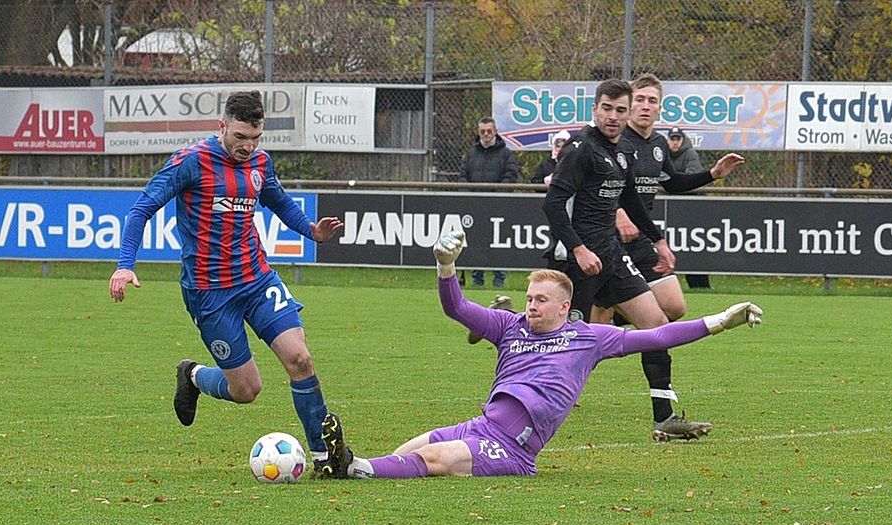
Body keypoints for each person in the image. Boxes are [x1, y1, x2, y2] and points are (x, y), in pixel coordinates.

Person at [317, 230, 762, 479]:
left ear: (564, 307)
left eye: (540, 300)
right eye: (529, 298)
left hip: (512, 449)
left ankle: (351, 466)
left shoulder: (589, 338)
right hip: (480, 427)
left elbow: (658, 335)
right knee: (408, 451)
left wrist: (720, 321)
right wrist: (445, 267)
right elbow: (456, 308)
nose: (530, 305)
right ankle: (351, 467)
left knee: (438, 460)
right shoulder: (509, 326)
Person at [108, 91, 345, 475]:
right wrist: (124, 265)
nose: (248, 147)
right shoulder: (191, 162)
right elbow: (142, 209)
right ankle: (193, 375)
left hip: (256, 279)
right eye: (240, 137)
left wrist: (312, 231)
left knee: (300, 358)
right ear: (222, 127)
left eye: (256, 138)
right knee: (247, 390)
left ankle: (324, 457)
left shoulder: (260, 163)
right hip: (210, 293)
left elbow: (279, 201)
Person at [541, 79, 745, 441]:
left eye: (620, 110)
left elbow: (632, 201)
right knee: (563, 341)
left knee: (656, 325)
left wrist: (659, 241)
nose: (613, 116)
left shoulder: (622, 151)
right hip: (577, 262)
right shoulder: (580, 149)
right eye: (607, 108)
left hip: (612, 257)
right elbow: (553, 204)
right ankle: (513, 383)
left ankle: (664, 418)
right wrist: (578, 249)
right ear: (595, 109)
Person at [458, 117, 519, 288]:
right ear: (478, 133)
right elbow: (462, 176)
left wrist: (497, 197)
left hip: (497, 207)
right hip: (475, 206)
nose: (486, 134)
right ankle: (477, 279)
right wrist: (468, 195)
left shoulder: (505, 153)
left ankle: (499, 278)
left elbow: (511, 176)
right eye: (482, 131)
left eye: (489, 131)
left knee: (498, 242)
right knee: (476, 242)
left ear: (495, 132)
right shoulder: (471, 154)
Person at [666, 125, 711, 289]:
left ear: (682, 140)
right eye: (672, 139)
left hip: (691, 208)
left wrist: (671, 183)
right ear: (668, 140)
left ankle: (700, 285)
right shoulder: (661, 153)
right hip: (671, 208)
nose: (675, 142)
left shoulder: (690, 153)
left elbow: (692, 177)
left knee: (693, 245)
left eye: (678, 139)